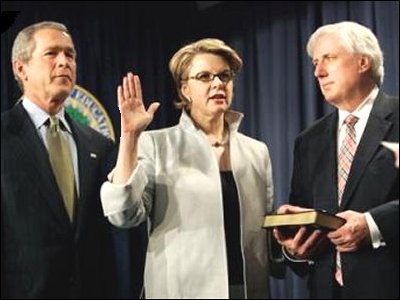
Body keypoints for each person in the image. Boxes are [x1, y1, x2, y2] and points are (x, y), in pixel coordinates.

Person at [100, 38, 274, 299]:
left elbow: (265, 235)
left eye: (225, 76)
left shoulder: (256, 151)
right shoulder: (157, 144)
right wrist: (130, 136)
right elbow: (123, 214)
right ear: (185, 89)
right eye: (204, 76)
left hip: (248, 291)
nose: (218, 83)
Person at [273, 21, 399, 299]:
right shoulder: (308, 140)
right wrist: (295, 248)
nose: (318, 72)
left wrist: (374, 224)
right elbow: (307, 216)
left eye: (328, 58)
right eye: (315, 62)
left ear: (363, 62)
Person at [1, 21, 115, 299]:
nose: (64, 62)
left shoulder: (99, 144)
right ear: (21, 68)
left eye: (70, 55)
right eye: (52, 53)